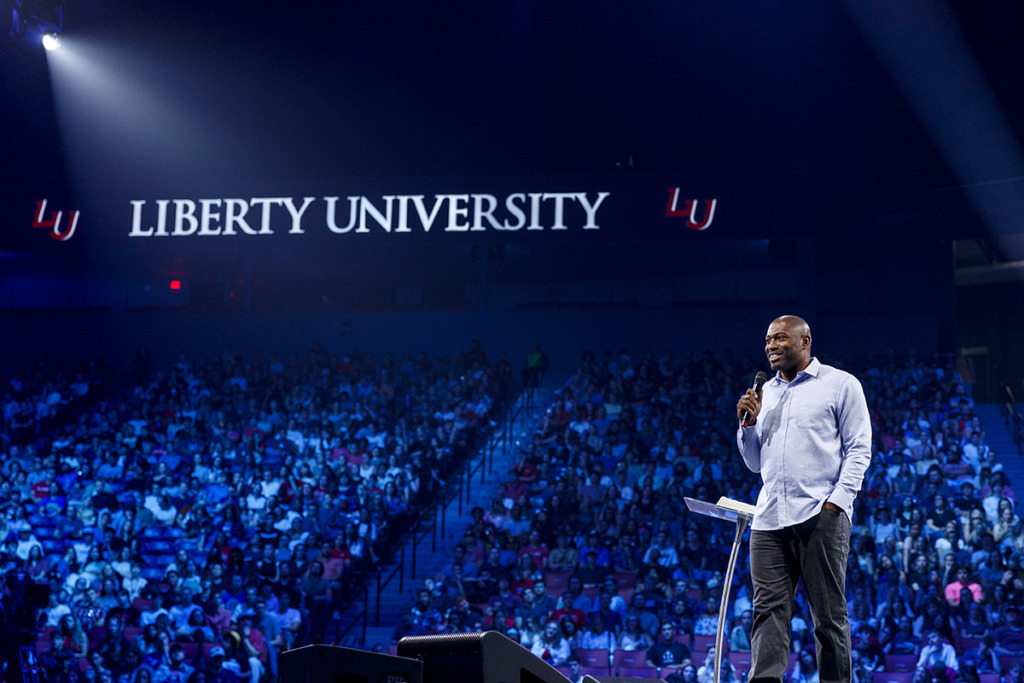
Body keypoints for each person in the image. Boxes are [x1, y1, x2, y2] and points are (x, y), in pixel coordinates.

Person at [736, 315, 872, 683]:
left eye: (780, 338)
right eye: (767, 340)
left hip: (819, 515)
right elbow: (753, 463)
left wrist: (836, 504)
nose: (771, 346)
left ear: (805, 341)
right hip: (768, 521)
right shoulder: (768, 394)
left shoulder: (840, 385)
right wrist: (747, 425)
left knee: (827, 618)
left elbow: (859, 449)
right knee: (767, 614)